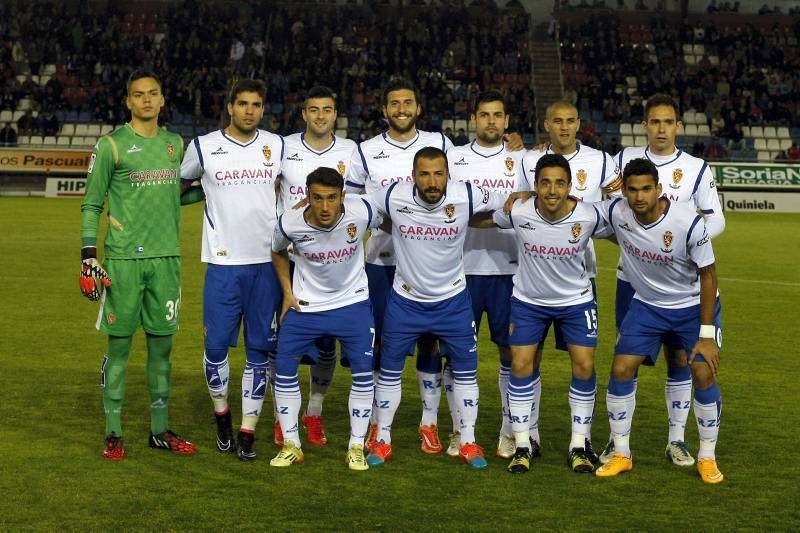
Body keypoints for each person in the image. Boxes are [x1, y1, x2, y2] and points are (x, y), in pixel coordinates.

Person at [365, 146, 509, 469]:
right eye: (425, 174)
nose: (432, 182)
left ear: (448, 175)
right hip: (405, 302)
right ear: (413, 176)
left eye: (439, 174)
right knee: (389, 372)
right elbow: (357, 205)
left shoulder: (467, 195)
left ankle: (469, 440)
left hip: (453, 303)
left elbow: (506, 201)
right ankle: (382, 439)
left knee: (466, 372)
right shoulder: (392, 195)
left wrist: (523, 194)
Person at [601, 93, 725, 467]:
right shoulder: (622, 160)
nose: (661, 129)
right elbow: (602, 208)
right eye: (654, 122)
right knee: (626, 357)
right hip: (634, 280)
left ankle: (677, 440)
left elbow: (716, 219)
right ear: (645, 126)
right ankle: (617, 441)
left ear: (678, 127)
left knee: (680, 358)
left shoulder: (697, 168)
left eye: (668, 122)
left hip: (681, 276)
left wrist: (684, 242)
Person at [80, 69, 196, 460]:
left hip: (166, 261)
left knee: (162, 353)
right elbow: (92, 203)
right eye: (138, 94)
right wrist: (88, 258)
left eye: (153, 93)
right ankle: (113, 431)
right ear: (128, 101)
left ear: (163, 100)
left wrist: (215, 192)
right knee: (120, 350)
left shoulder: (175, 145)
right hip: (124, 262)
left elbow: (170, 198)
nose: (146, 100)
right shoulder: (111, 146)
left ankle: (159, 431)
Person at [473, 153, 609, 474]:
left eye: (559, 183)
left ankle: (579, 444)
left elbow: (624, 226)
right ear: (534, 186)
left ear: (570, 186)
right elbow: (485, 218)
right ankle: (523, 444)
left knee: (584, 366)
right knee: (520, 365)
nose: (552, 190)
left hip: (575, 302)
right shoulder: (519, 210)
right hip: (528, 301)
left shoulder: (588, 216)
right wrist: (445, 218)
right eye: (545, 182)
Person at [344, 78, 455, 455]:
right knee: (381, 348)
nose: (402, 109)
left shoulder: (440, 144)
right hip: (381, 262)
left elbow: (458, 190)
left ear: (418, 107)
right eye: (394, 103)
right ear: (384, 109)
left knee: (430, 344)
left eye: (408, 102)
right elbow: (354, 205)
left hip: (428, 264)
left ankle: (429, 423)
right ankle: (379, 421)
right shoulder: (366, 151)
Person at [180, 78, 284, 461]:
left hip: (266, 266)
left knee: (260, 351)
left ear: (262, 109)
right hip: (223, 265)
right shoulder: (204, 147)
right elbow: (178, 185)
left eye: (256, 104)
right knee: (215, 349)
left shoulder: (277, 146)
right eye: (243, 103)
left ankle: (247, 431)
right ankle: (221, 414)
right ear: (230, 107)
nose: (249, 110)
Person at [521, 100, 620, 462]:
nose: (563, 128)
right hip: (534, 275)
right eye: (556, 122)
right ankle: (528, 434)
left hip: (579, 275)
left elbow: (620, 206)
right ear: (545, 124)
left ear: (579, 124)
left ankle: (582, 441)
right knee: (530, 358)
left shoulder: (601, 162)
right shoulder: (528, 160)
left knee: (583, 362)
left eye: (570, 121)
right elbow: (519, 202)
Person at [270, 167, 383, 471]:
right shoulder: (289, 222)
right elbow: (278, 251)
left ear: (343, 196)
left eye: (332, 198)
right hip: (305, 306)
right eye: (317, 198)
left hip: (353, 305)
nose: (324, 207)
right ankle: (292, 444)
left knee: (362, 372)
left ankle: (356, 446)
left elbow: (389, 214)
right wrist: (286, 292)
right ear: (306, 197)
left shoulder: (363, 211)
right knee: (283, 368)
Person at [447, 89, 526, 459]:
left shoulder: (524, 158)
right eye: (484, 115)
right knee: (458, 353)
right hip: (460, 273)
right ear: (474, 119)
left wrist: (481, 218)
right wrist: (501, 217)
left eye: (498, 115)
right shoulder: (455, 158)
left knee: (509, 351)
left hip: (510, 272)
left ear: (506, 121)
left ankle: (509, 431)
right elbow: (448, 208)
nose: (491, 121)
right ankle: (460, 431)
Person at [278, 86, 358, 447]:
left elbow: (360, 200)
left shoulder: (351, 151)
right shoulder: (283, 148)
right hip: (292, 262)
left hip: (332, 266)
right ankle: (284, 419)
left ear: (335, 113)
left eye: (327, 110)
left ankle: (314, 412)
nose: (321, 116)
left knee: (327, 347)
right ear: (304, 114)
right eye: (314, 110)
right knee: (283, 342)